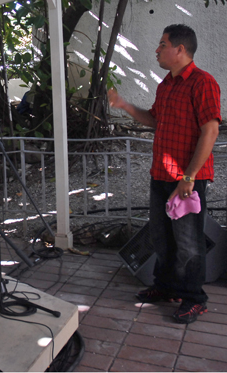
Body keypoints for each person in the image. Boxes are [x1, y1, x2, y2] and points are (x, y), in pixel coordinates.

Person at [108, 24, 221, 324]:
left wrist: (189, 176)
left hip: (186, 179)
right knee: (161, 236)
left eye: (162, 44)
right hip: (160, 174)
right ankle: (166, 287)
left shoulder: (203, 83)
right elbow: (155, 120)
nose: (157, 50)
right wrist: (123, 105)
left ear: (180, 50)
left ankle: (194, 298)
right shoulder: (166, 84)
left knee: (188, 242)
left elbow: (210, 131)